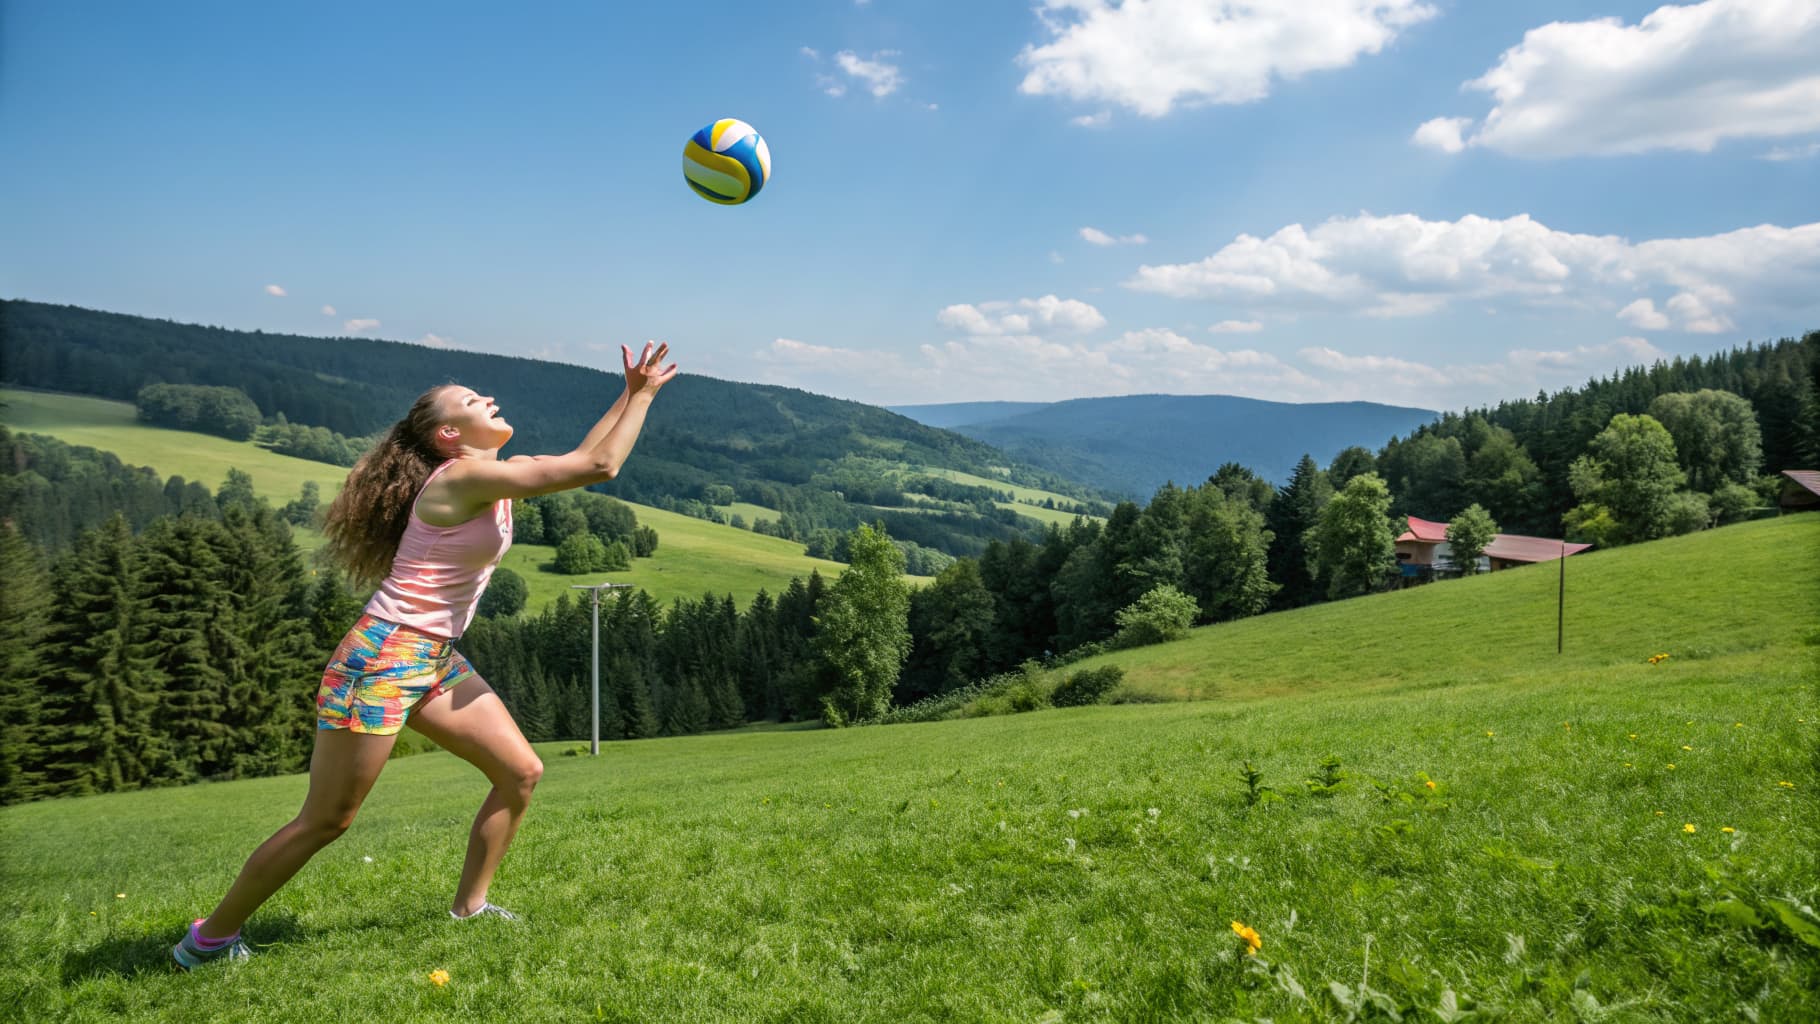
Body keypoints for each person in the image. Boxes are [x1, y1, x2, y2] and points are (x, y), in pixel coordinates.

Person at [172, 341, 678, 969]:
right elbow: (600, 466)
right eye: (472, 401)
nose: (489, 399)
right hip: (382, 657)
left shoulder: (486, 475)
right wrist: (647, 396)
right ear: (448, 434)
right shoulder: (461, 477)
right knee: (328, 820)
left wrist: (630, 393)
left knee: (519, 772)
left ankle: (470, 909)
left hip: (431, 657)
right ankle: (208, 940)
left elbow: (581, 457)